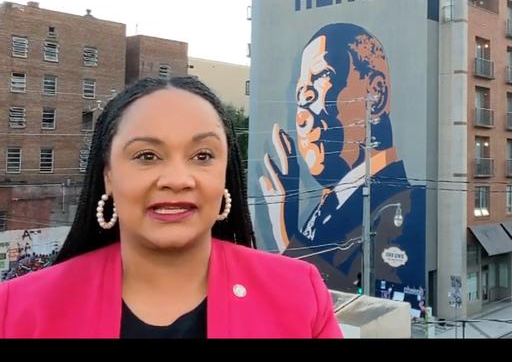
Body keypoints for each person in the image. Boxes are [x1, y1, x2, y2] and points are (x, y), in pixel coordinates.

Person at [0, 76, 342, 339]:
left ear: (225, 172)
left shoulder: (300, 295)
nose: (178, 180)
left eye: (203, 156)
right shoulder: (17, 310)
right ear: (108, 176)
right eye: (147, 156)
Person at [258, 23, 425, 306]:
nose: (303, 110)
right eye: (300, 94)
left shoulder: (405, 207)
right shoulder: (324, 206)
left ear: (376, 95)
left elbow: (362, 308)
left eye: (320, 81)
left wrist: (286, 240)